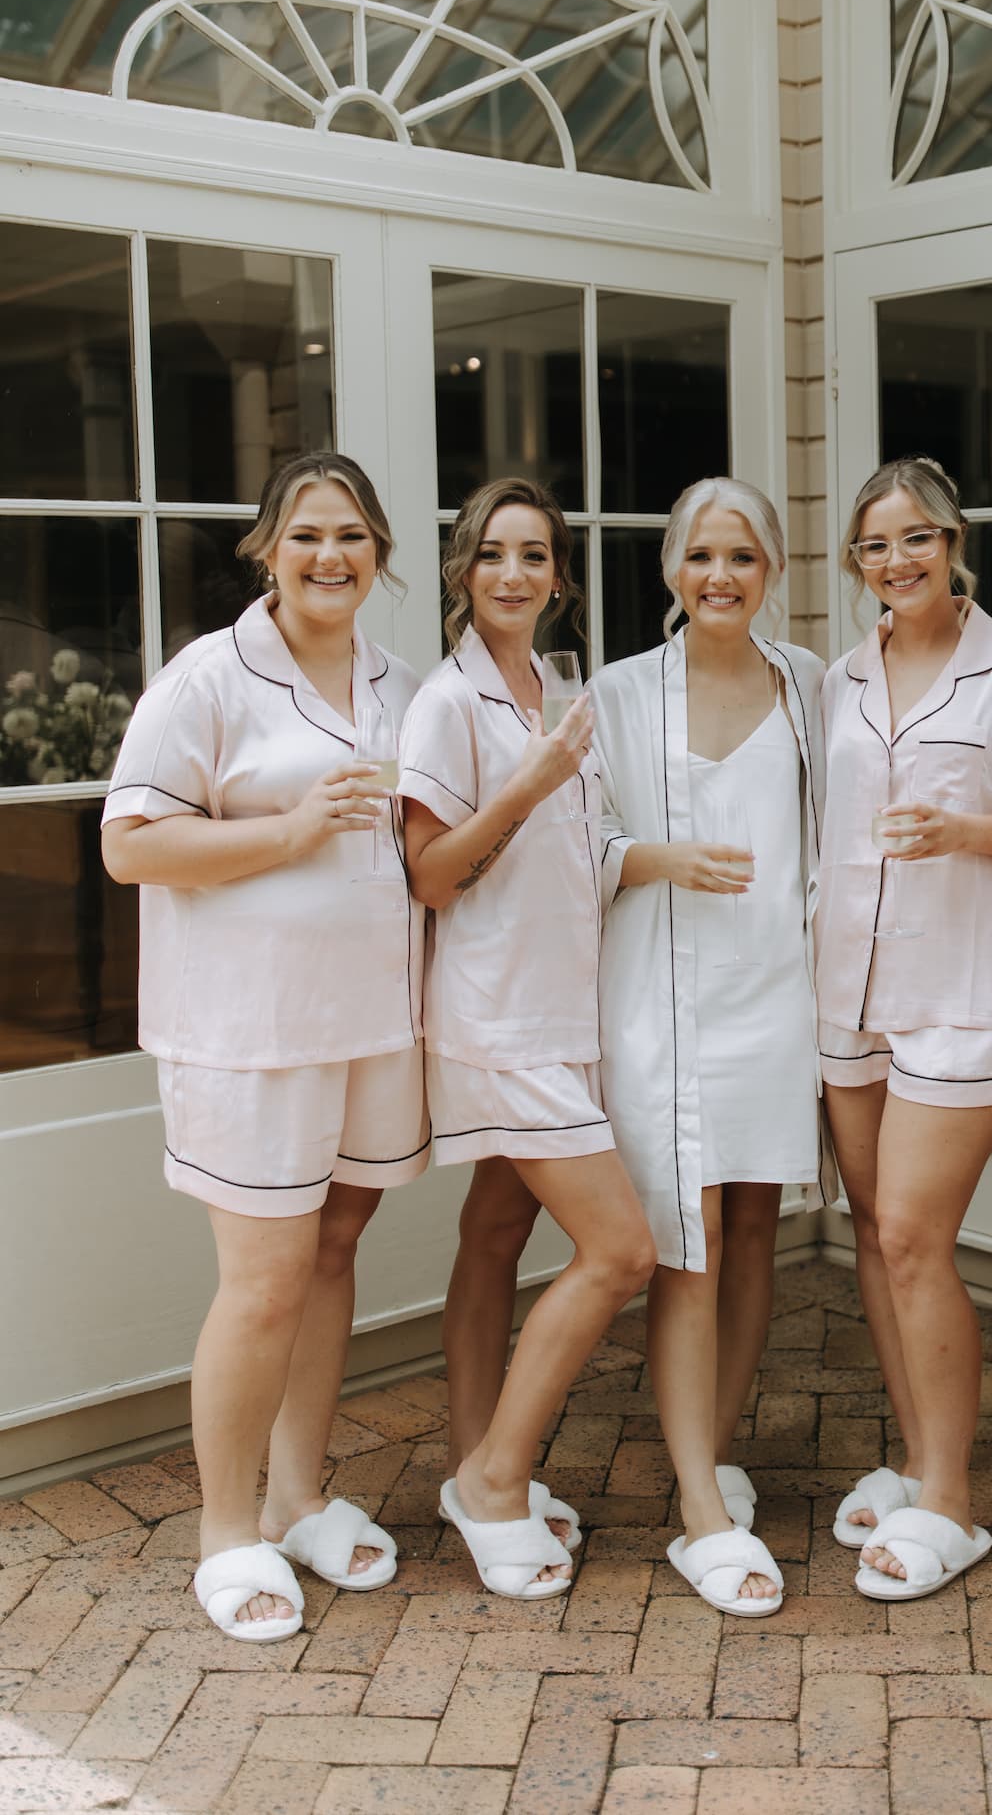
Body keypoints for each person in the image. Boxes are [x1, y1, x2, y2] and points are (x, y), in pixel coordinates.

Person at [102, 453, 428, 1643]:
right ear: (267, 552)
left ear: (380, 552)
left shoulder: (402, 683)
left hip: (372, 1023)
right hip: (251, 1033)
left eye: (350, 535)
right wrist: (289, 831)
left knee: (334, 1248)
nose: (329, 555)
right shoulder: (210, 678)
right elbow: (131, 847)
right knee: (264, 1281)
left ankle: (299, 1496)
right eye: (305, 536)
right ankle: (225, 1531)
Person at [817, 456, 992, 1601]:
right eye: (875, 546)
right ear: (854, 564)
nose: (897, 561)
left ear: (954, 539)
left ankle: (951, 1500)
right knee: (876, 1230)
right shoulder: (839, 677)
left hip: (967, 992)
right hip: (850, 986)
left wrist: (972, 834)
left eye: (915, 537)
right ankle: (918, 1455)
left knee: (916, 1235)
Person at [400, 477, 656, 1601]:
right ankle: (497, 1479)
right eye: (494, 554)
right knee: (619, 1252)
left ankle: (472, 1462)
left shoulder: (557, 686)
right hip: (498, 1018)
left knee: (496, 1230)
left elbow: (580, 853)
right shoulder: (446, 705)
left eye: (535, 554)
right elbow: (432, 873)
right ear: (464, 570)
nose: (514, 573)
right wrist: (529, 781)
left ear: (560, 575)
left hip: (568, 1007)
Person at [592, 477, 833, 1617]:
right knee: (682, 1239)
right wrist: (657, 857)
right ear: (669, 569)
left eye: (741, 556)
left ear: (773, 568)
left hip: (775, 997)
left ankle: (717, 1445)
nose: (719, 577)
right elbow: (575, 841)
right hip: (667, 1002)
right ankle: (697, 1505)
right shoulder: (623, 693)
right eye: (699, 556)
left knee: (750, 1229)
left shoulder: (810, 688)